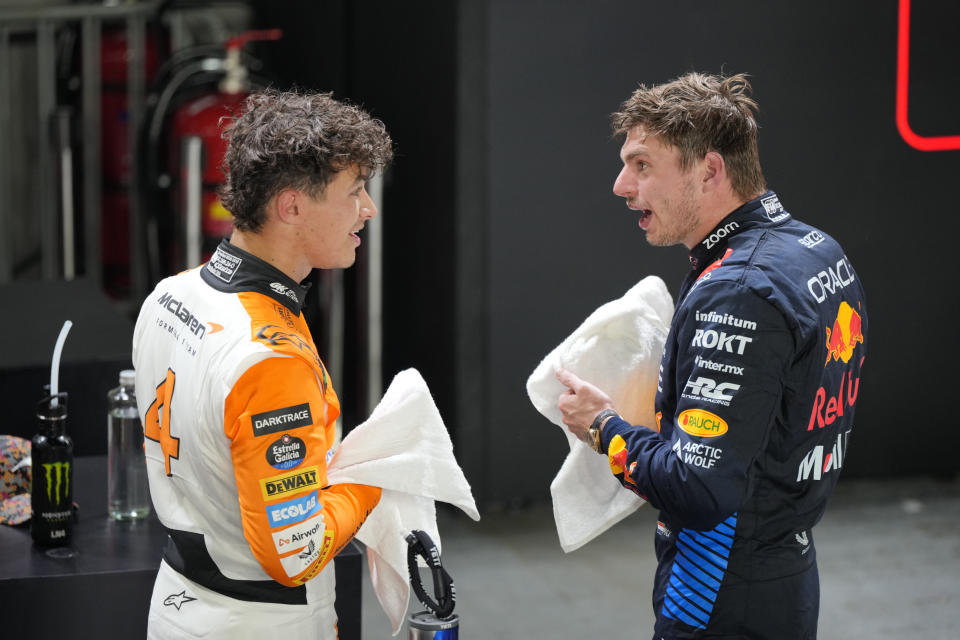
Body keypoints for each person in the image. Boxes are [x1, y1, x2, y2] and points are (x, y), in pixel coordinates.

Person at [556, 72, 867, 639]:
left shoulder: (740, 288)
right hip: (789, 571)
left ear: (710, 171)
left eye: (643, 165)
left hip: (720, 590)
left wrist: (602, 427)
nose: (622, 186)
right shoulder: (817, 250)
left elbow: (698, 490)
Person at [132, 90, 393, 639]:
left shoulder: (166, 296)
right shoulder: (268, 358)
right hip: (262, 622)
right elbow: (296, 553)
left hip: (176, 605)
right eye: (354, 192)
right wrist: (380, 475)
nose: (367, 209)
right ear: (292, 207)